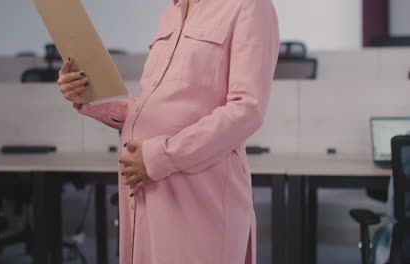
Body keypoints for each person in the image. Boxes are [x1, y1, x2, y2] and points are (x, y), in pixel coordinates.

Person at [57, 0, 279, 263]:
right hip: (146, 187)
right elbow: (152, 107)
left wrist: (160, 157)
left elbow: (247, 110)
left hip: (198, 192)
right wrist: (89, 97)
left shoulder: (249, 6)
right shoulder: (170, 12)